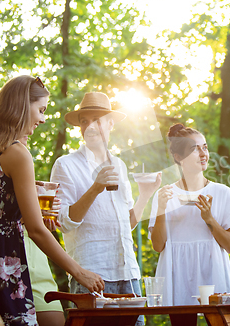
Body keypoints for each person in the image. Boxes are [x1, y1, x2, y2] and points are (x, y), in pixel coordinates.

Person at [0, 75, 104, 326]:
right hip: (5, 264)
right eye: (41, 110)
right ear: (20, 106)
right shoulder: (18, 153)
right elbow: (37, 230)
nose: (43, 117)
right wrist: (79, 272)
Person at [50, 92, 160, 324]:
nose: (90, 126)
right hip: (92, 276)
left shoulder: (119, 165)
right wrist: (95, 187)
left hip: (129, 276)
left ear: (110, 123)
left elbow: (126, 224)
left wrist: (146, 195)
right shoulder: (66, 165)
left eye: (97, 119)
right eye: (84, 120)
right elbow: (64, 223)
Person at [149, 123, 230, 311]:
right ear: (178, 157)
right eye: (194, 149)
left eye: (205, 147)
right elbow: (158, 246)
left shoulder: (222, 193)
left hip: (213, 273)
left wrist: (209, 219)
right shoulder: (165, 195)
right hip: (176, 274)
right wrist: (161, 208)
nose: (203, 154)